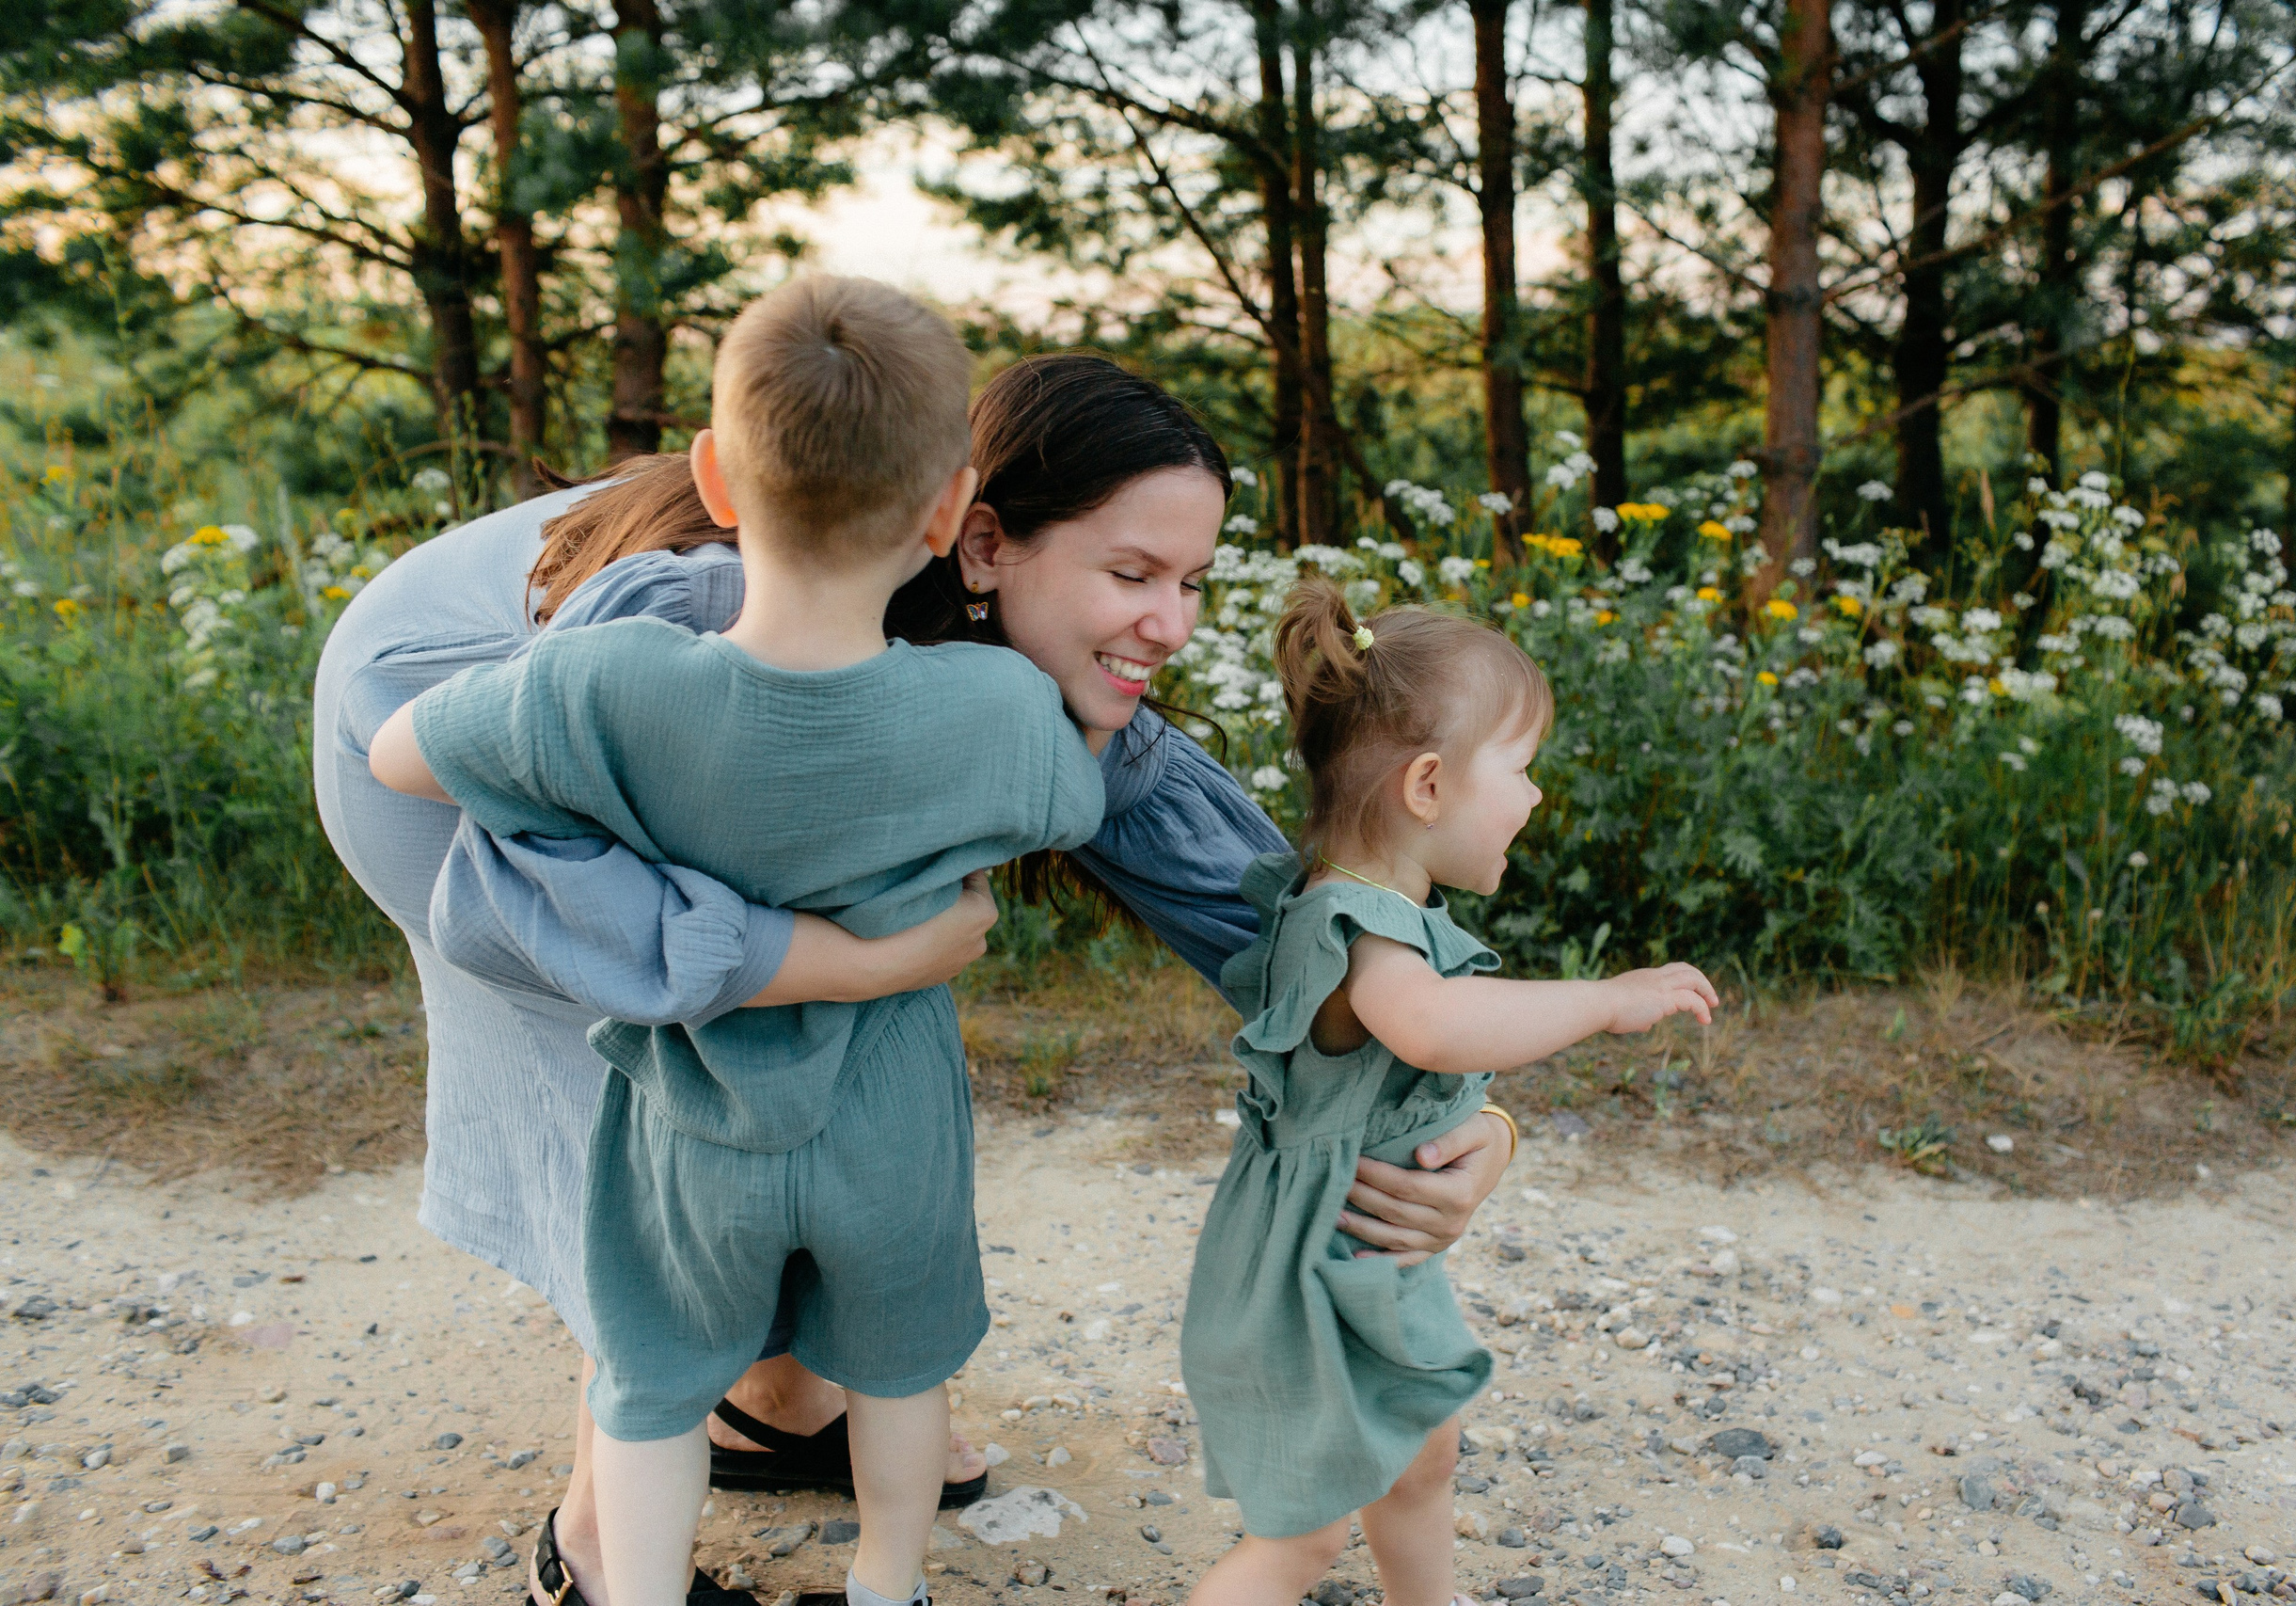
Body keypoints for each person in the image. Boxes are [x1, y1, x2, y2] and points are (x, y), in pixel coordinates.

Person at [310, 349, 1519, 1606]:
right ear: (981, 540)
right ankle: (601, 1546)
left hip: (541, 719)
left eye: (1193, 579)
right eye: (1129, 573)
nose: (1173, 623)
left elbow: (1303, 935)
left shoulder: (1068, 717)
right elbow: (570, 878)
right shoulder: (730, 611)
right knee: (672, 1101)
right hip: (429, 718)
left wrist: (1472, 1113)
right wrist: (843, 958)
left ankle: (776, 1403)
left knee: (814, 1057)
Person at [373, 277, 1101, 1606]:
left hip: (691, 1111)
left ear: (713, 476)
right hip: (893, 1116)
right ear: (948, 509)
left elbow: (399, 751)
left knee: (650, 1375)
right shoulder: (996, 704)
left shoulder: (616, 681)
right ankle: (889, 1582)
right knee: (897, 1358)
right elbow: (1074, 799)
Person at [1179, 579, 1719, 1606]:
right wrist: (1604, 1000)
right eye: (1519, 771)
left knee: (1424, 1453)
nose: (1535, 797)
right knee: (1306, 1530)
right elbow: (1434, 1026)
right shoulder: (1364, 927)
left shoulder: (1359, 900)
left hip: (1358, 1253)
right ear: (1427, 786)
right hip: (1311, 1273)